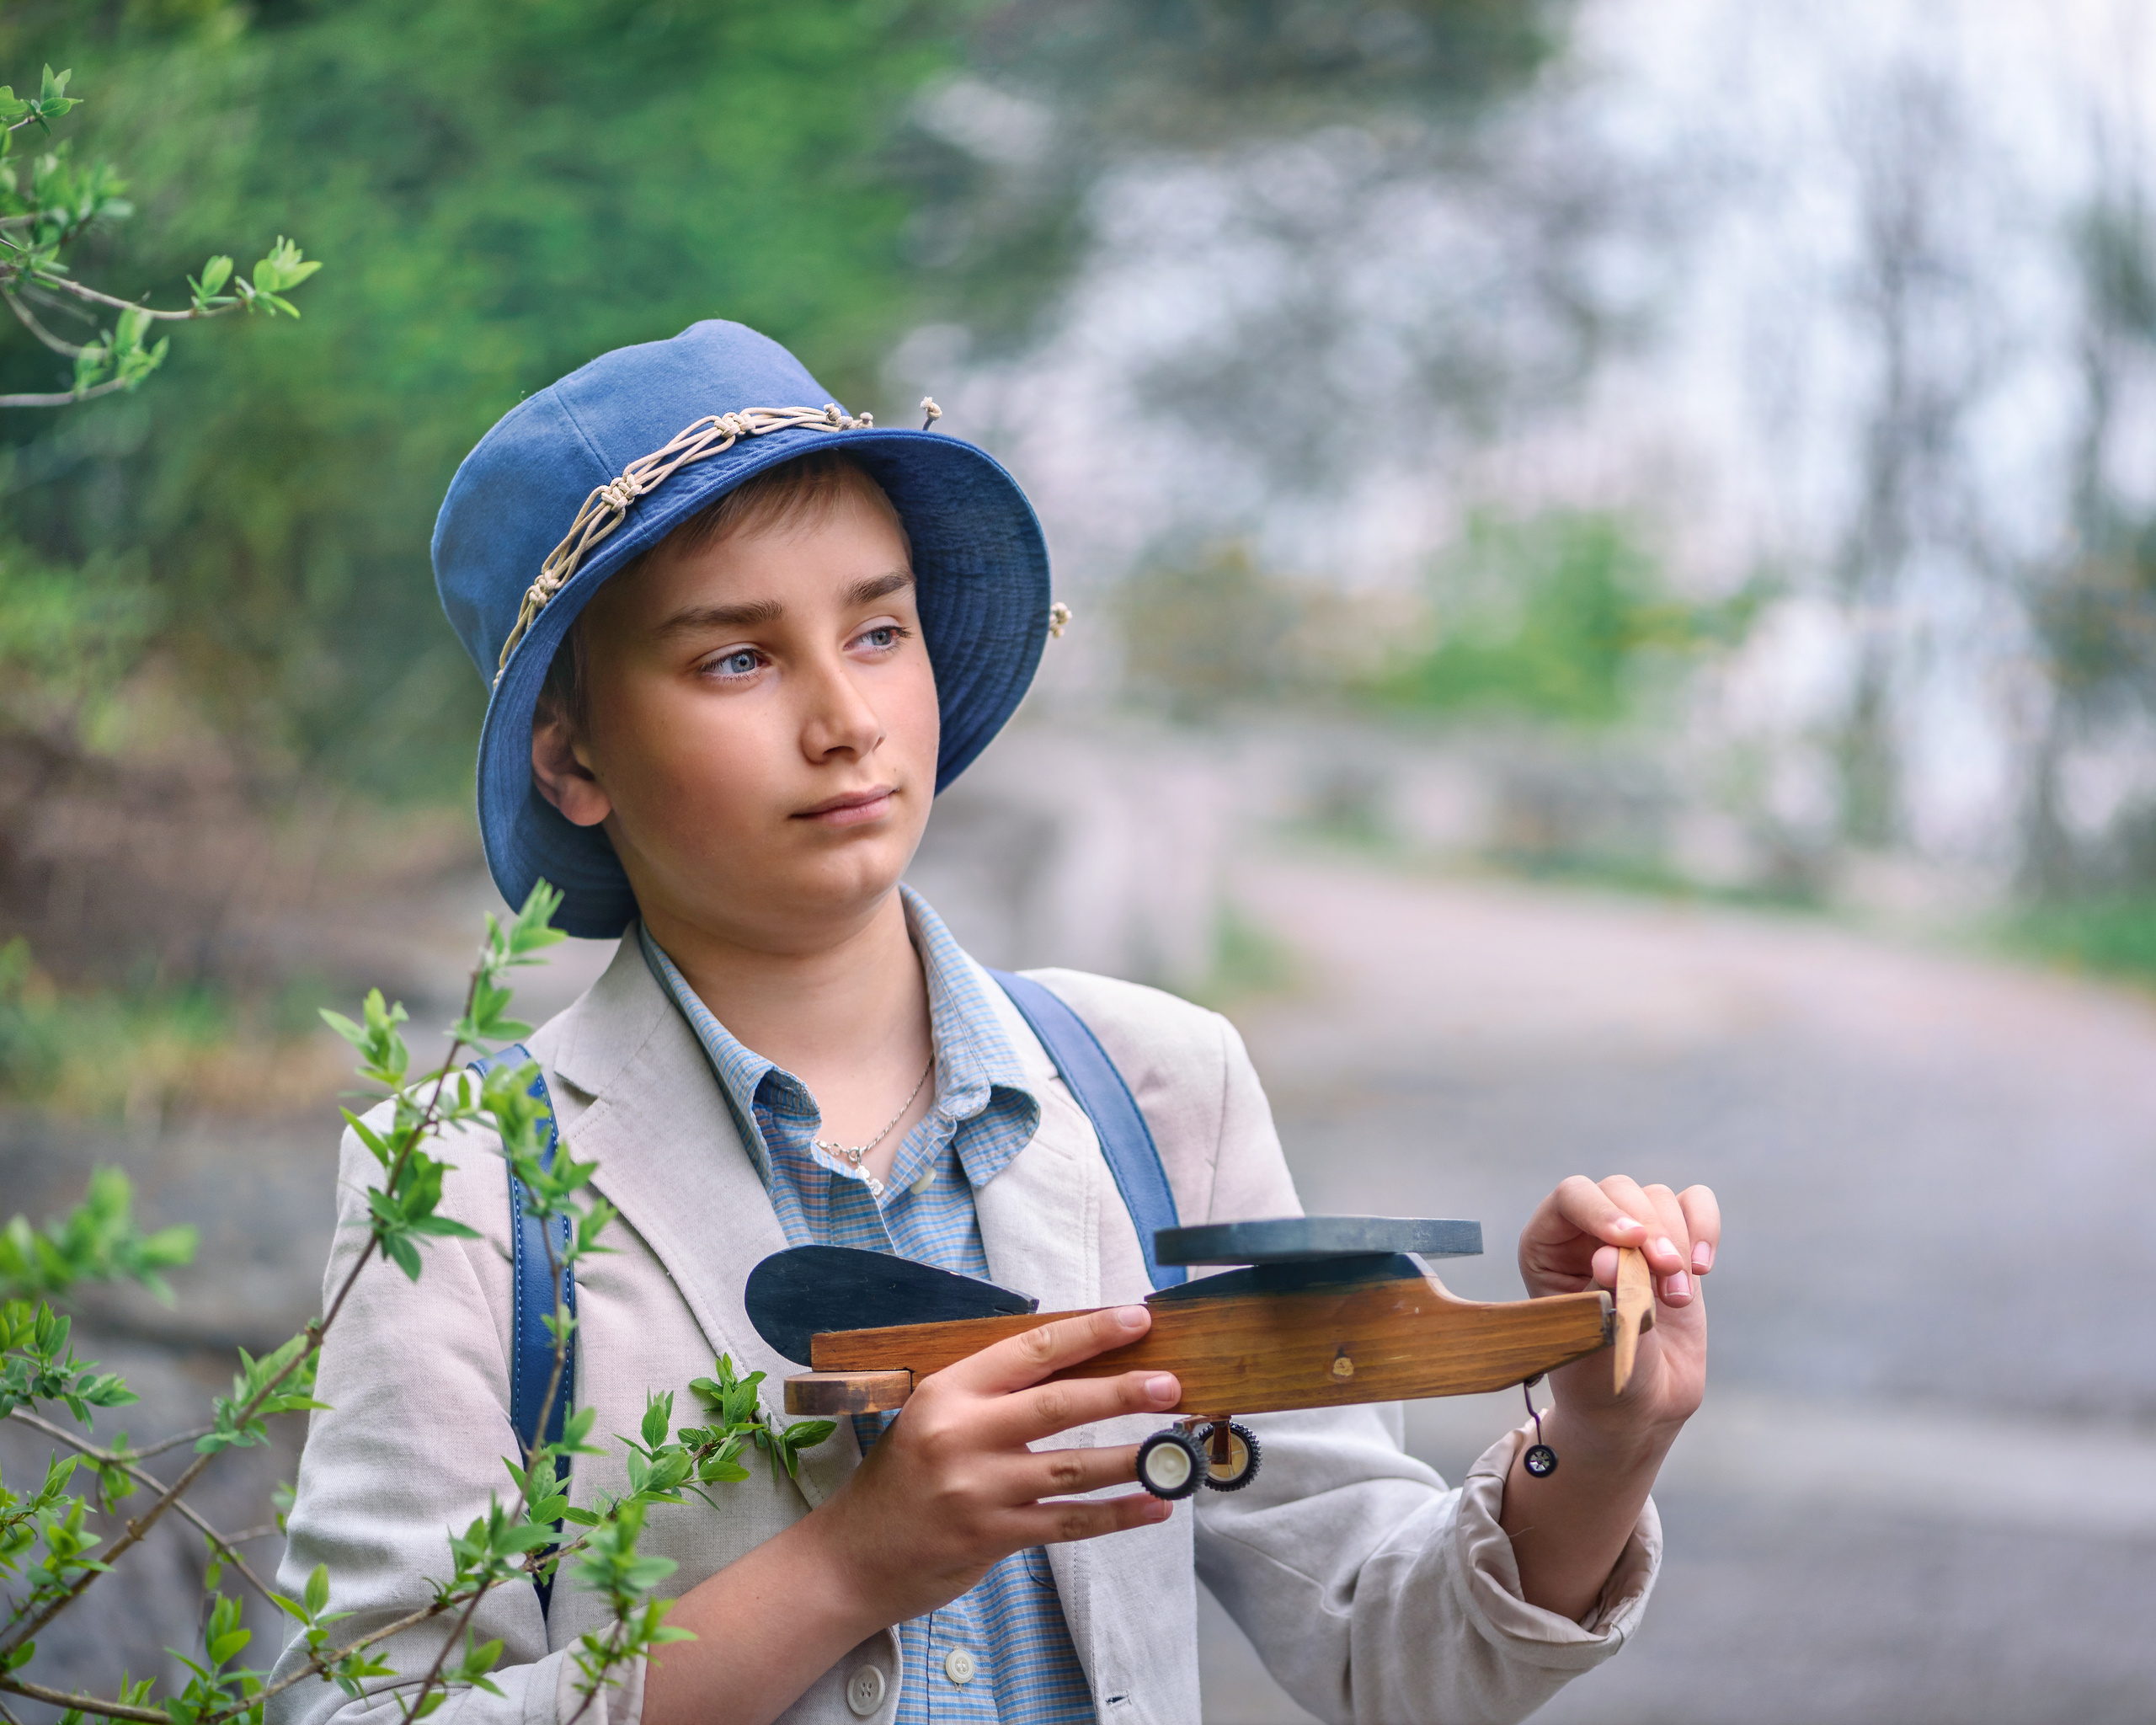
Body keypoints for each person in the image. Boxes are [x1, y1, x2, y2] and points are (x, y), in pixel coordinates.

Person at [268, 320, 1720, 1725]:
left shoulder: (1158, 1091)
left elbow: (1392, 1662)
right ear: (575, 758)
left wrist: (1592, 1448)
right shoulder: (464, 1182)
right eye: (738, 660)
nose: (848, 720)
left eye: (879, 629)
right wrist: (849, 1564)